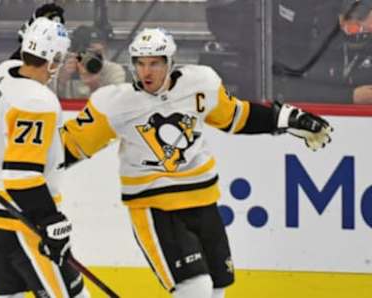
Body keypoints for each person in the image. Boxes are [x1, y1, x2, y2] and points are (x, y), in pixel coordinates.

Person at [59, 27, 332, 297]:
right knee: (195, 289)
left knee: (217, 288)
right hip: (156, 207)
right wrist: (26, 170)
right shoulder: (116, 103)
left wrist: (286, 119)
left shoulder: (201, 84)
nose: (146, 72)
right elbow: (71, 145)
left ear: (170, 62)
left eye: (154, 63)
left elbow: (236, 116)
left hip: (203, 201)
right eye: (140, 63)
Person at [0, 17, 90, 298]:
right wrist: (50, 221)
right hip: (17, 218)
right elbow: (21, 176)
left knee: (7, 295)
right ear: (55, 59)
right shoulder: (36, 102)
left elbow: (19, 59)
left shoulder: (5, 71)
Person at [273, 0, 372, 104]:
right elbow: (295, 89)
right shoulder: (321, 46)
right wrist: (350, 96)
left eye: (362, 15)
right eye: (350, 16)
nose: (357, 26)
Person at [51, 25, 127, 99]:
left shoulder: (113, 70)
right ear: (75, 53)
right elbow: (48, 101)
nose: (93, 57)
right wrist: (61, 80)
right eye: (88, 53)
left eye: (98, 53)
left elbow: (115, 102)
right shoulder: (62, 69)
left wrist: (95, 86)